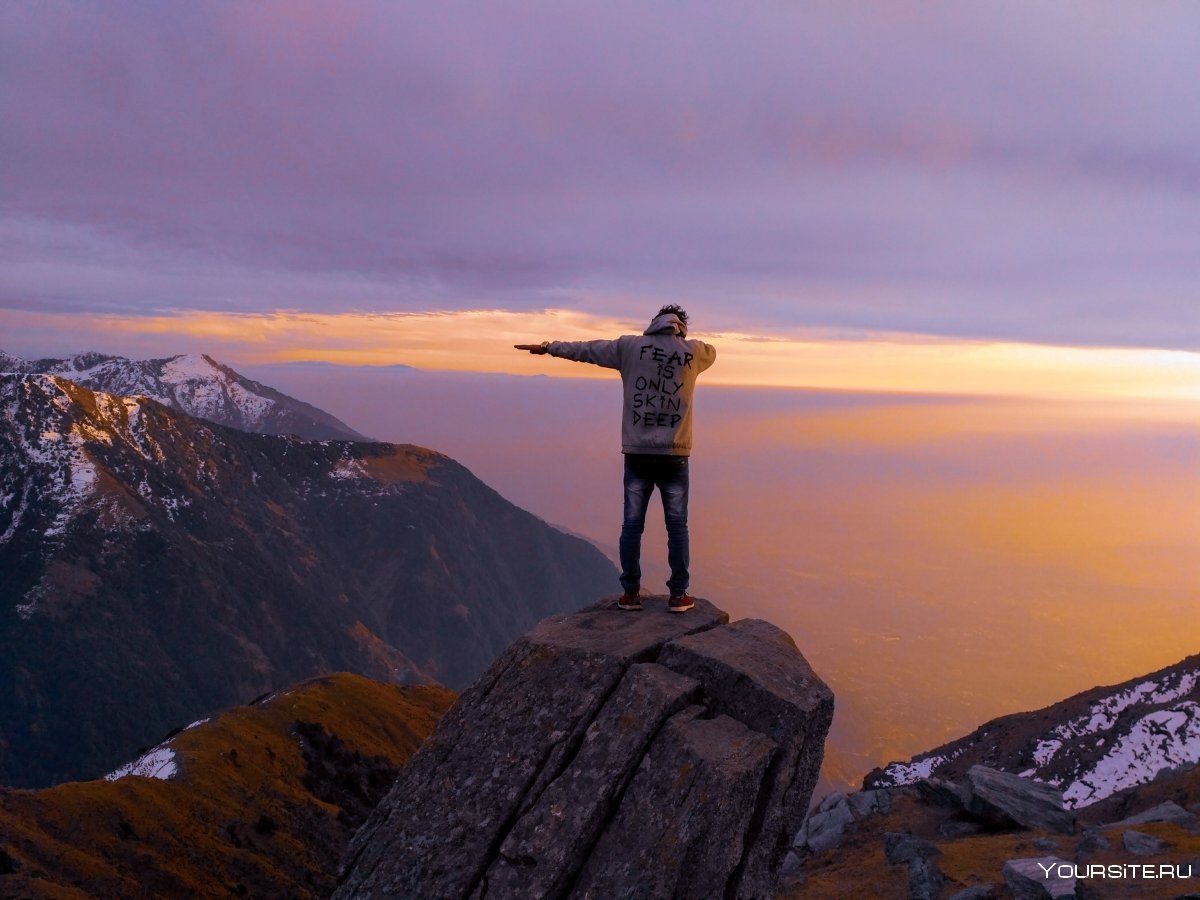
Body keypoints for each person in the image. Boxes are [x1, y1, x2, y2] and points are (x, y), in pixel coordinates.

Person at [515, 305, 716, 613]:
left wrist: (548, 348)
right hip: (675, 455)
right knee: (677, 525)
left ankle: (631, 595)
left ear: (653, 323)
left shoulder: (629, 348)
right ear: (681, 327)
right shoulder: (694, 352)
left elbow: (588, 350)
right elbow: (712, 352)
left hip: (636, 453)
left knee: (632, 524)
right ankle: (678, 595)